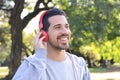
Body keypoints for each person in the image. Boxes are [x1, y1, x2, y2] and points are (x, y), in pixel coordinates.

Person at [12, 7, 91, 80]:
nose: (65, 32)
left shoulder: (79, 63)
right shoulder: (31, 64)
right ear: (44, 34)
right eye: (57, 27)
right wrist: (39, 58)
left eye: (66, 27)